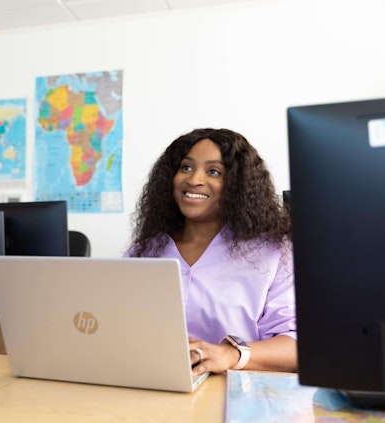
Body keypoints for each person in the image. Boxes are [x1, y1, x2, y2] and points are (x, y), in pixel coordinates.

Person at [125, 128, 297, 376]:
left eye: (213, 171)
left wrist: (231, 354)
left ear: (237, 185)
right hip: (155, 383)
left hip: (239, 395)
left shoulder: (274, 251)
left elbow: (294, 347)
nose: (194, 180)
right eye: (186, 167)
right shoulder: (145, 250)